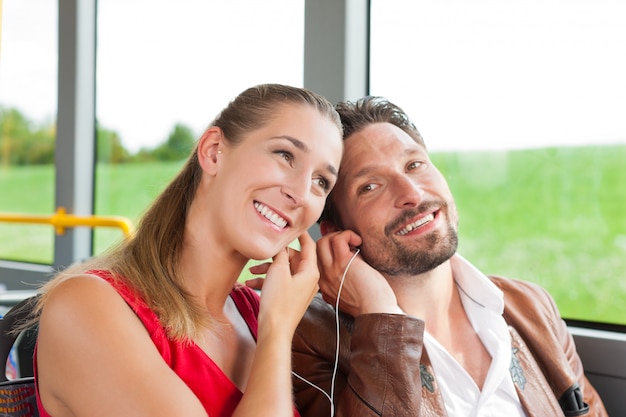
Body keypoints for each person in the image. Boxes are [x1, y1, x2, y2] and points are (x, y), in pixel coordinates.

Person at [31, 84, 344, 417]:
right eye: (285, 155)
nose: (300, 192)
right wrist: (277, 332)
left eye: (321, 181)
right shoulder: (86, 306)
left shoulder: (259, 310)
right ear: (212, 152)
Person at [291, 96, 608, 417]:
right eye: (370, 186)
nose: (412, 194)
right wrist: (380, 314)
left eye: (415, 165)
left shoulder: (532, 306)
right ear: (335, 233)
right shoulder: (311, 340)